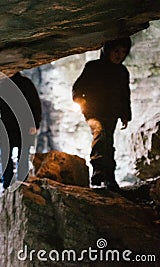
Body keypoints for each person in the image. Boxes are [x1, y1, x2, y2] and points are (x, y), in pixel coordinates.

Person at [72, 37, 132, 191]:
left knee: (108, 144)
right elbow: (78, 87)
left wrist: (125, 114)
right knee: (101, 134)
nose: (120, 55)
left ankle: (109, 177)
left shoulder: (122, 71)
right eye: (116, 51)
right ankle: (99, 171)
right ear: (108, 50)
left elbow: (125, 94)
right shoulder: (93, 67)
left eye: (123, 52)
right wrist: (81, 102)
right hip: (93, 112)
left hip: (111, 114)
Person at [0, 72, 42, 189]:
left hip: (14, 126)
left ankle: (9, 184)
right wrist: (35, 124)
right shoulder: (22, 83)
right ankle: (18, 184)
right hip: (19, 126)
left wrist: (35, 124)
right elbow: (35, 105)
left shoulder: (1, 84)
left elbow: (34, 105)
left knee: (11, 155)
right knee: (21, 155)